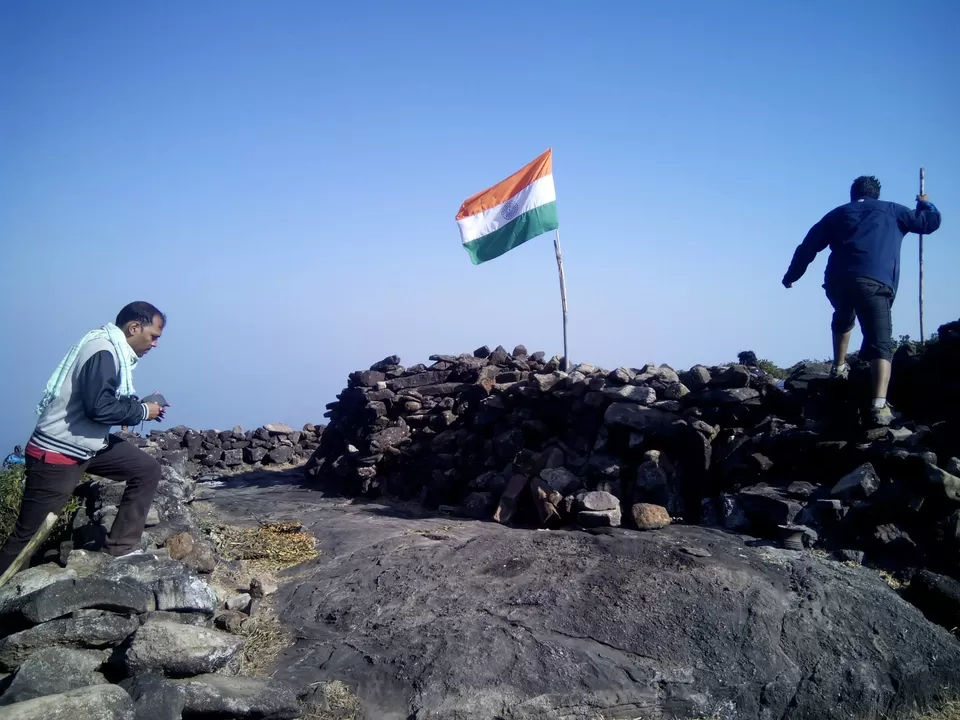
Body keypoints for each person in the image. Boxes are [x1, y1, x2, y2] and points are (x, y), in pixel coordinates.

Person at [0, 302, 170, 575]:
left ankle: (121, 549)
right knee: (28, 538)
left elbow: (99, 401)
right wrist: (141, 411)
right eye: (154, 336)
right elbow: (98, 408)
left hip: (86, 445)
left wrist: (142, 407)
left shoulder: (110, 348)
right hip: (58, 452)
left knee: (146, 469)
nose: (155, 344)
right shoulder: (103, 351)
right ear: (134, 327)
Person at [782, 176, 942, 426]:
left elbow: (808, 247)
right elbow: (929, 223)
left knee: (844, 316)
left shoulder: (837, 213)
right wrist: (925, 204)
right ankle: (879, 406)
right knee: (881, 342)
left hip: (838, 281)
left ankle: (839, 367)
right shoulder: (894, 211)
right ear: (876, 193)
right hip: (875, 280)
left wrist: (792, 276)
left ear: (852, 193)